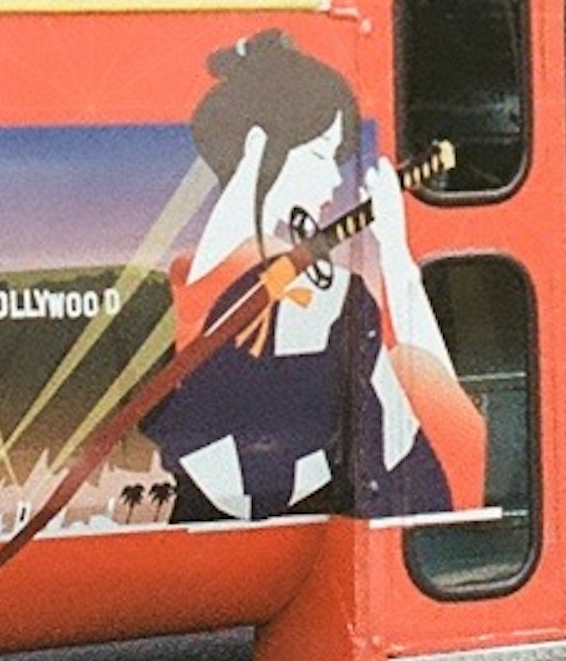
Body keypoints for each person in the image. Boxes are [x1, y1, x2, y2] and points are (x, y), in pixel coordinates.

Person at [145, 29, 475, 523]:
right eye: (322, 156)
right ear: (258, 147)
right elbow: (448, 456)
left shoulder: (193, 286)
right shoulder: (323, 300)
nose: (335, 181)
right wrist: (396, 260)